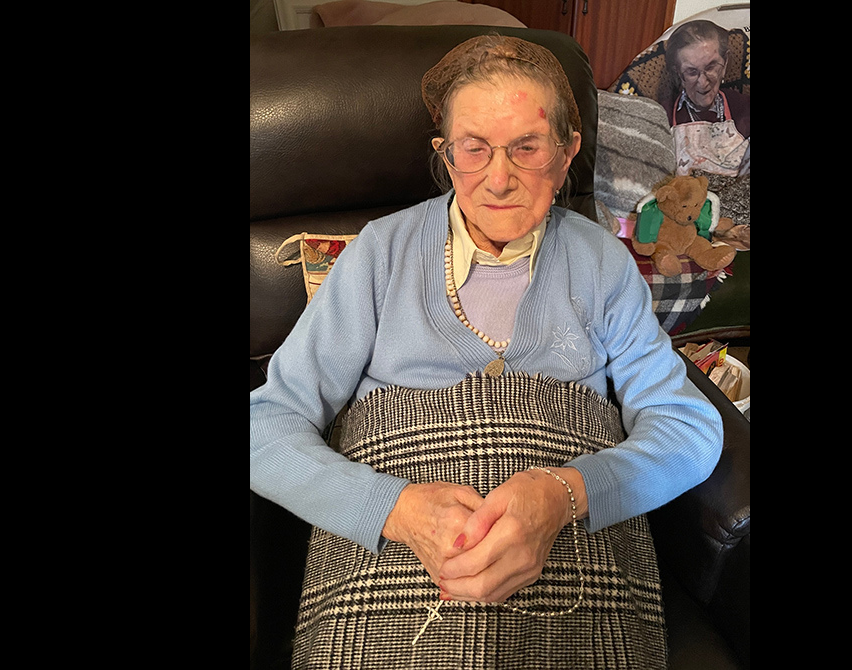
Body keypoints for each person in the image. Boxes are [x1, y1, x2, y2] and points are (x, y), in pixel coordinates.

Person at [250, 34, 723, 669]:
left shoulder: (601, 262)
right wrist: (395, 509)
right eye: (473, 149)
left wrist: (565, 494)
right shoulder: (379, 254)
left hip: (577, 575)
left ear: (566, 155)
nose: (497, 179)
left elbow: (689, 429)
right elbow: (264, 427)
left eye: (526, 148)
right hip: (390, 573)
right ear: (445, 156)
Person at [662, 20, 750, 176]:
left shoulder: (745, 107)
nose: (703, 82)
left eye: (710, 67)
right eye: (691, 72)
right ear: (678, 73)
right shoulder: (663, 116)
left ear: (725, 62)